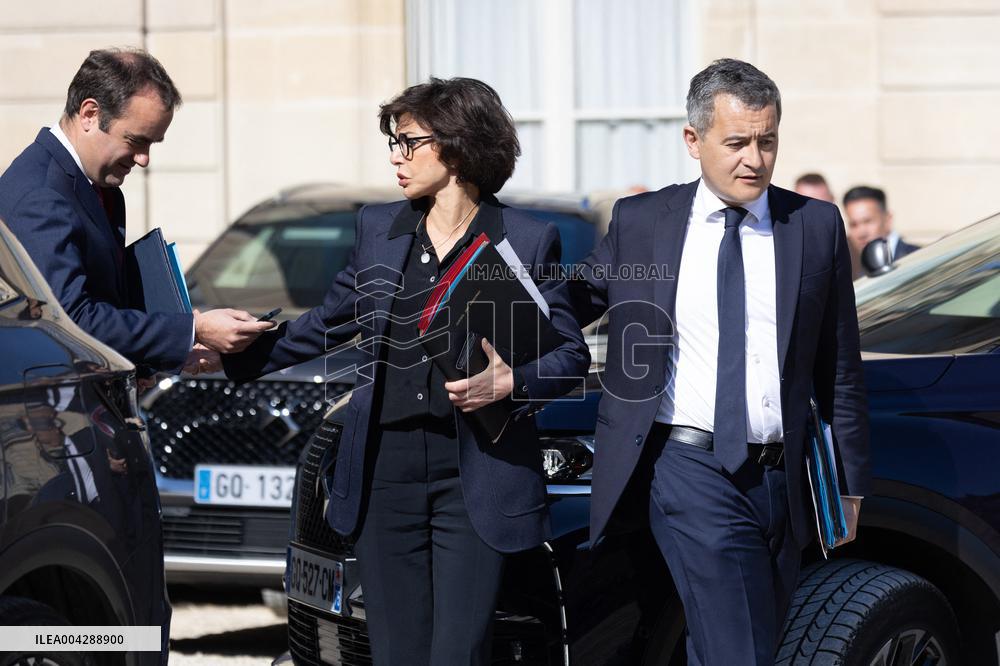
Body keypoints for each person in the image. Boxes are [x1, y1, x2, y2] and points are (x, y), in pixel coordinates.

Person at [222, 77, 589, 666]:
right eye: (393, 141)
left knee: (456, 654)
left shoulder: (523, 239)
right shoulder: (379, 229)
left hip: (472, 472)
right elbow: (328, 322)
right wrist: (226, 352)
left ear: (458, 146)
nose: (396, 155)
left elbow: (569, 355)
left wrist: (511, 382)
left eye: (409, 142)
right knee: (394, 653)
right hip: (382, 471)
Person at [569, 59, 870, 665]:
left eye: (768, 141)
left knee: (736, 645)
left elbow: (839, 366)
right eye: (736, 143)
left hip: (784, 483)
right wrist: (498, 344)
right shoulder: (646, 223)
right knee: (741, 651)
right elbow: (568, 301)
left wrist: (849, 482)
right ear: (693, 140)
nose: (754, 159)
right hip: (688, 470)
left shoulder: (813, 226)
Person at [0, 48, 271, 378]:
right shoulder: (40, 194)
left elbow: (104, 303)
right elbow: (70, 321)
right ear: (89, 114)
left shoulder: (98, 185)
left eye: (152, 144)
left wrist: (146, 362)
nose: (143, 159)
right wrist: (193, 329)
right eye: (136, 140)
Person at [843, 185, 920, 272]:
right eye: (853, 224)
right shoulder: (851, 271)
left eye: (868, 221)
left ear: (888, 219)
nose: (861, 233)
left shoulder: (918, 258)